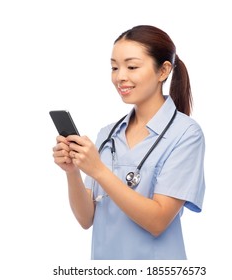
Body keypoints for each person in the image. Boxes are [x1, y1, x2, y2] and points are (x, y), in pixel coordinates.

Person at [52, 25, 205, 260]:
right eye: (114, 67)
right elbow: (86, 219)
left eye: (132, 66)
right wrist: (72, 171)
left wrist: (99, 171)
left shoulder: (186, 134)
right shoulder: (108, 134)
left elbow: (158, 221)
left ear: (163, 71)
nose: (120, 76)